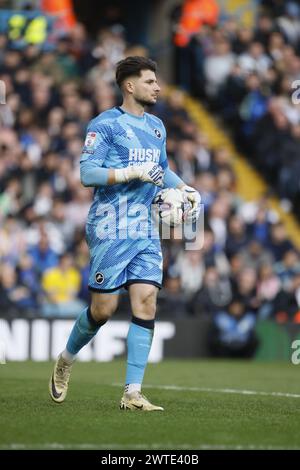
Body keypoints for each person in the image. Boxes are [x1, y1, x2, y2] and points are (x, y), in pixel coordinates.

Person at [49, 56, 201, 411]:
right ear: (129, 86)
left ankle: (132, 392)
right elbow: (87, 173)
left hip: (146, 226)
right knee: (103, 309)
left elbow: (161, 170)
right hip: (109, 224)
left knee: (146, 300)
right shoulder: (105, 125)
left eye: (157, 81)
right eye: (150, 81)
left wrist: (187, 188)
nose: (158, 87)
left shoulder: (158, 127)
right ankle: (66, 359)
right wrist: (131, 172)